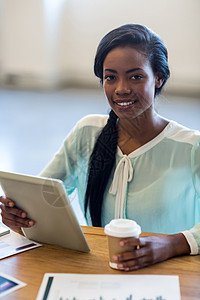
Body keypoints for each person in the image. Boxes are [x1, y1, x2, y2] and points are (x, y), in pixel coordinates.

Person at [0, 24, 200, 271]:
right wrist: (18, 215)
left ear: (158, 78)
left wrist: (173, 244)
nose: (121, 89)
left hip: (171, 272)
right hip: (100, 268)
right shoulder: (87, 132)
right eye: (110, 77)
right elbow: (43, 196)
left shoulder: (191, 147)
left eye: (136, 76)